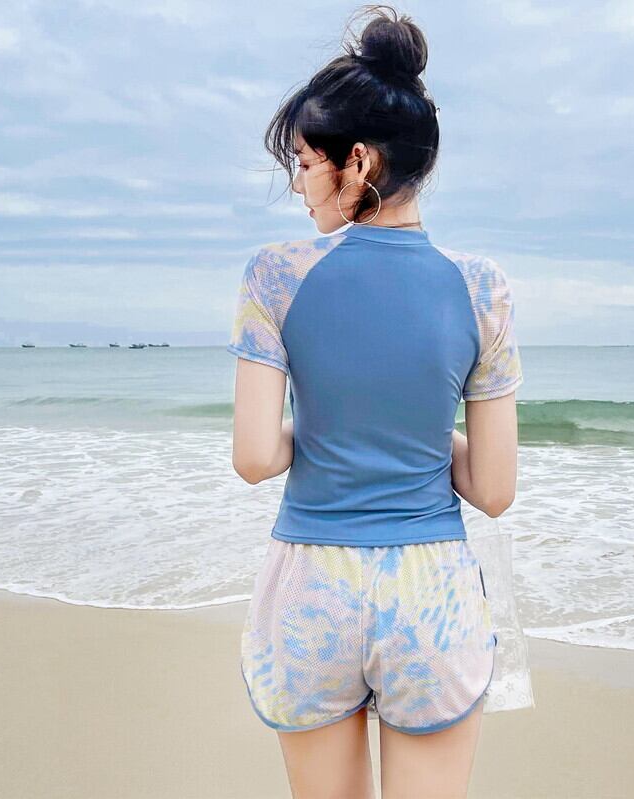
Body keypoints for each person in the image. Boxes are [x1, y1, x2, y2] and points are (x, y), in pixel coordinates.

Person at [228, 6, 524, 797]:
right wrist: (415, 435)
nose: (299, 184)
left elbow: (254, 457)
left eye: (304, 162)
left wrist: (331, 425)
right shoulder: (483, 288)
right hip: (431, 594)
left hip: (310, 589)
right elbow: (494, 488)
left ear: (358, 161)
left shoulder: (275, 275)